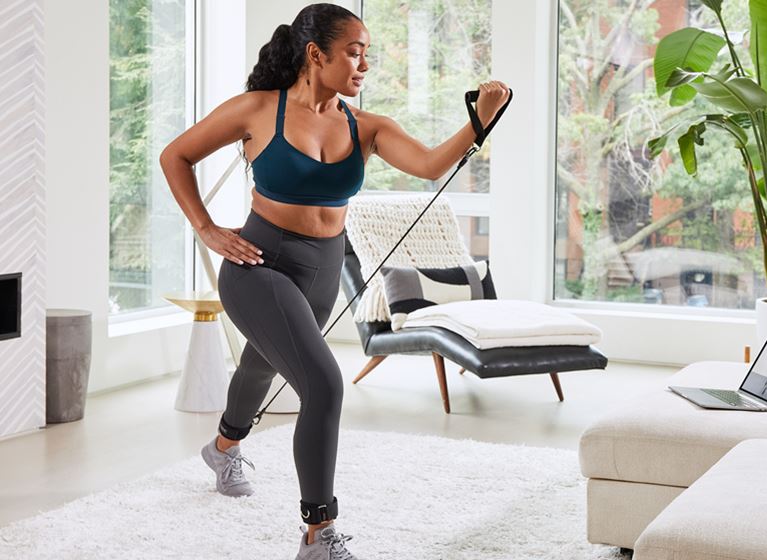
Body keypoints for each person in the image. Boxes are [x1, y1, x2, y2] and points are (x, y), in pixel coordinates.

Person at [158, 4, 509, 558]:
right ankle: (319, 532)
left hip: (322, 269)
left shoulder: (366, 125)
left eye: (368, 51)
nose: (364, 62)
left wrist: (480, 118)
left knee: (261, 361)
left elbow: (430, 164)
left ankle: (223, 446)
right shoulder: (256, 109)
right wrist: (206, 228)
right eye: (354, 50)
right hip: (258, 264)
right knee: (322, 384)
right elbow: (175, 154)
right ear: (315, 55)